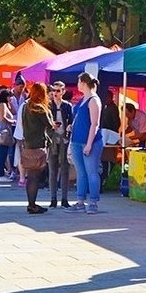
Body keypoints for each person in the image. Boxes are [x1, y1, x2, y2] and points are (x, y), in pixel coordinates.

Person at [68, 72, 104, 214]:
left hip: (90, 142)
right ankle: (80, 202)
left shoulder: (94, 100)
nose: (77, 85)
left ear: (83, 83)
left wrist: (89, 144)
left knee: (91, 172)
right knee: (81, 173)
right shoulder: (83, 99)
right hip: (76, 141)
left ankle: (93, 202)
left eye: (78, 82)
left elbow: (95, 124)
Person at [20, 82, 51, 214]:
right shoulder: (39, 108)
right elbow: (49, 124)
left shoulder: (26, 106)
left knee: (30, 175)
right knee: (35, 177)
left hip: (27, 144)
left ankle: (31, 203)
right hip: (38, 145)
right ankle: (32, 205)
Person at [47, 82, 73, 207]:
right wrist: (52, 125)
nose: (55, 93)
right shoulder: (48, 105)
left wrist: (69, 126)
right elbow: (45, 122)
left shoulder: (67, 106)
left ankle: (64, 199)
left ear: (63, 92)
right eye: (54, 91)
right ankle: (53, 199)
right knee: (52, 170)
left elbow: (71, 120)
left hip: (64, 140)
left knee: (65, 170)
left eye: (58, 91)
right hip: (52, 140)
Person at [0, 89, 16, 183]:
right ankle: (0, 174)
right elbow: (3, 118)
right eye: (10, 97)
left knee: (1, 154)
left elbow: (14, 112)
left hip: (3, 131)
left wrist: (10, 103)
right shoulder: (2, 105)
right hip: (3, 131)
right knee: (1, 154)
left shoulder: (5, 105)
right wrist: (12, 121)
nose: (11, 98)